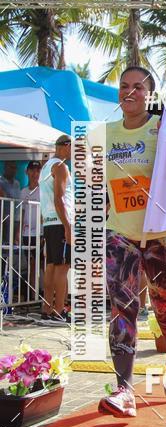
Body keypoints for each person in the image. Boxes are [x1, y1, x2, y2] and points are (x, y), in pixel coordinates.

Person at [98, 66, 166, 418]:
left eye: (138, 87)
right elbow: (97, 185)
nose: (130, 91)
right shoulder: (103, 134)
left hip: (165, 236)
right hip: (121, 233)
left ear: (150, 94)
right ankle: (124, 389)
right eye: (124, 86)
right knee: (122, 307)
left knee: (163, 304)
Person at [39, 136, 72, 321]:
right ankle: (59, 310)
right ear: (66, 146)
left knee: (51, 265)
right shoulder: (60, 166)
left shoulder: (46, 166)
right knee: (62, 267)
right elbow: (59, 198)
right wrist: (67, 225)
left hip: (49, 222)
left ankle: (47, 309)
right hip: (60, 221)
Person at [18, 160, 42, 300]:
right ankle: (33, 296)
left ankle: (43, 297)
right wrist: (18, 231)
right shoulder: (23, 191)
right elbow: (22, 212)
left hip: (41, 233)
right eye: (32, 170)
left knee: (43, 265)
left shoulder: (43, 190)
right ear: (27, 172)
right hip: (27, 234)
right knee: (31, 265)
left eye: (38, 170)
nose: (35, 173)